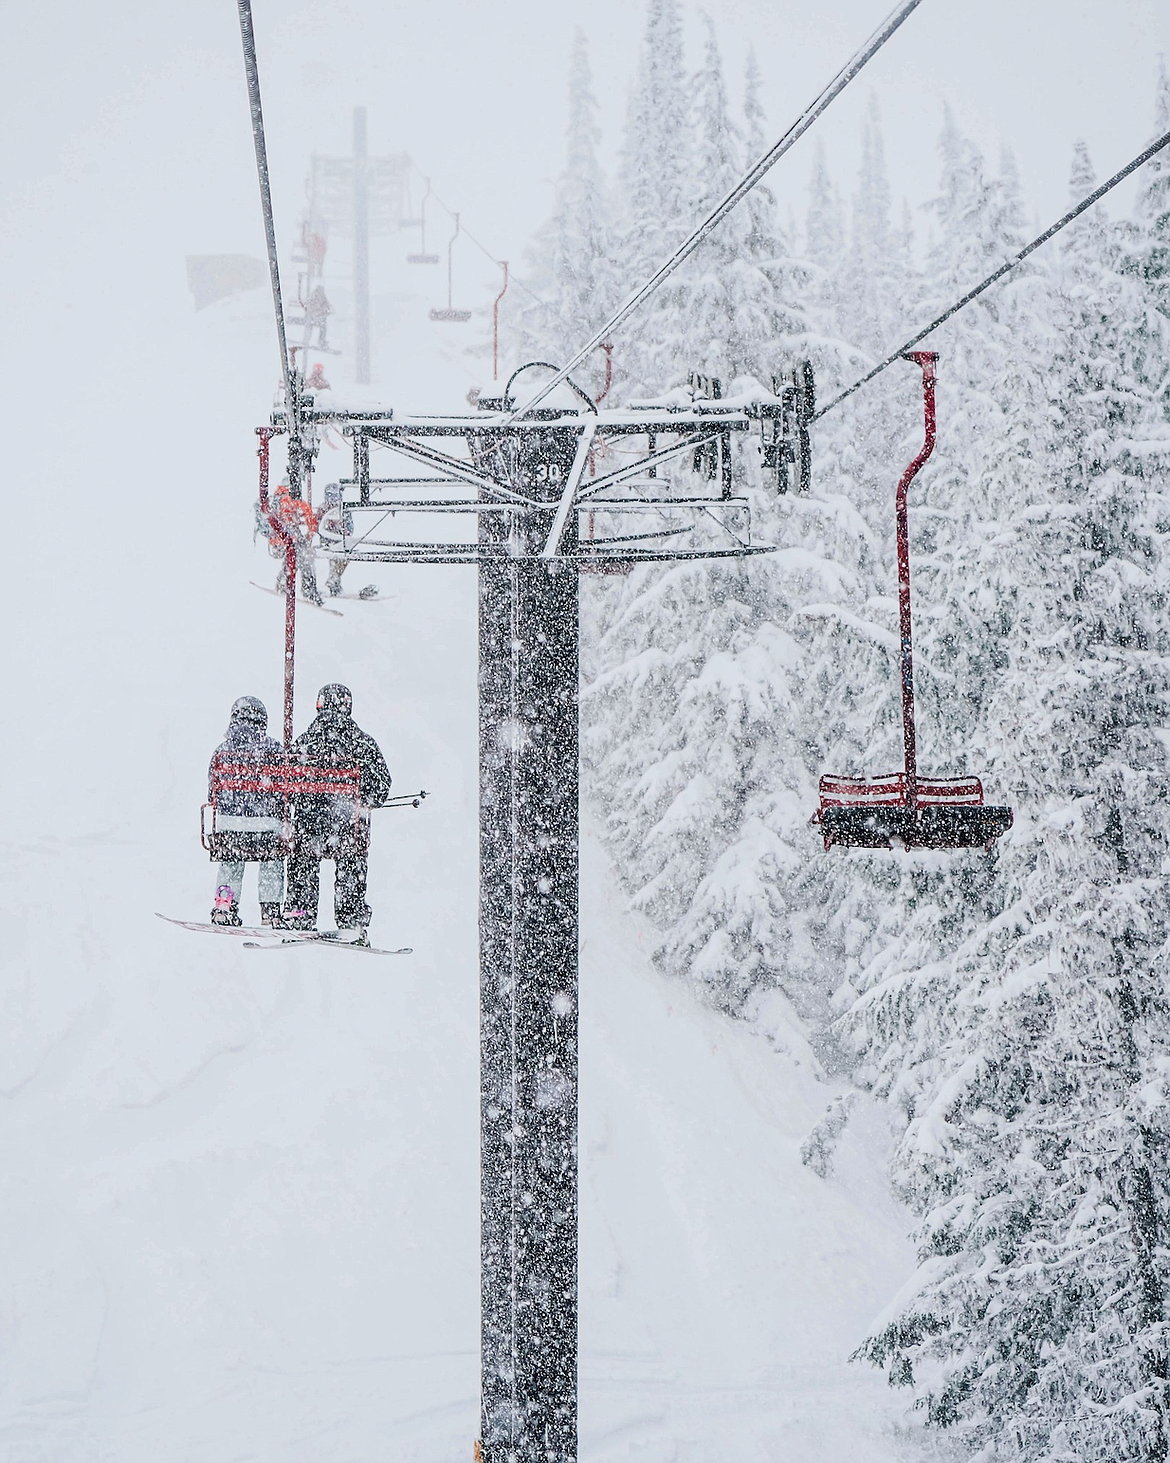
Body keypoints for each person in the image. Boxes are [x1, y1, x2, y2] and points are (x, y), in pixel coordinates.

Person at [284, 684, 392, 933]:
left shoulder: (304, 742)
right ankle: (351, 915)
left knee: (302, 856)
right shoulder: (363, 743)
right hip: (347, 830)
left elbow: (287, 784)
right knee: (352, 858)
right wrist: (364, 799)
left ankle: (300, 911)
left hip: (309, 829)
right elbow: (381, 786)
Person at [207, 696, 288, 927]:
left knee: (231, 858)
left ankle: (224, 906)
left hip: (229, 824)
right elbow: (286, 791)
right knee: (271, 859)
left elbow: (211, 790)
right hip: (266, 826)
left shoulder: (221, 752)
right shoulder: (274, 750)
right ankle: (271, 911)